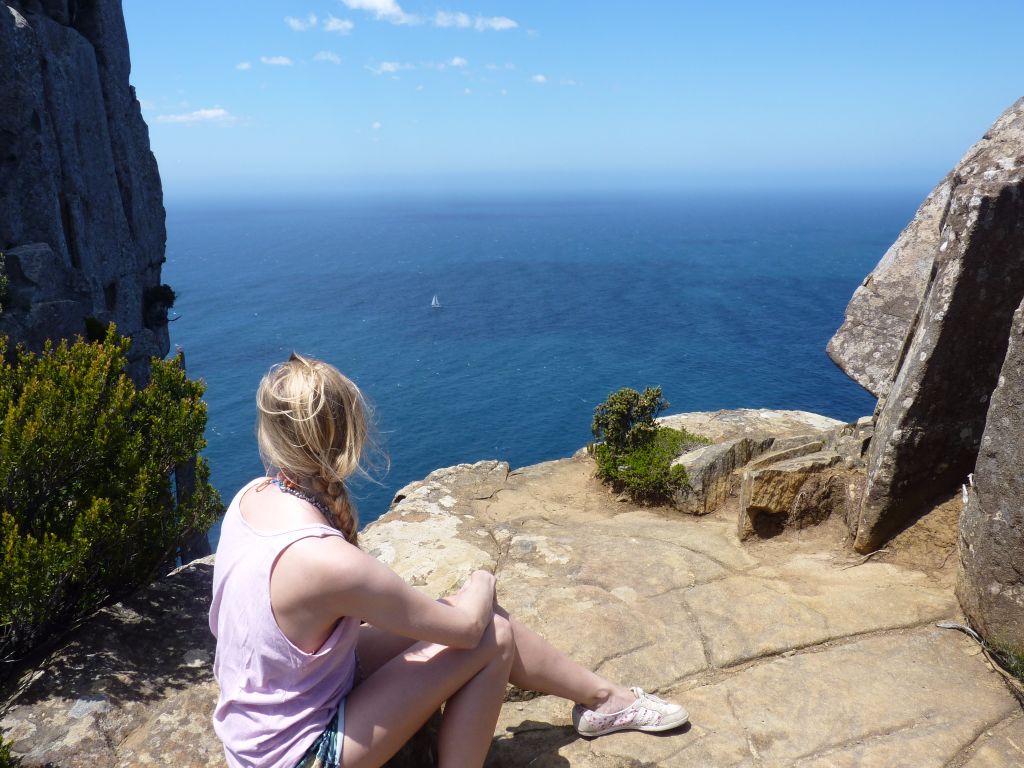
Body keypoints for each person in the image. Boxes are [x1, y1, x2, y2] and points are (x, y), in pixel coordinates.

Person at [209, 353, 689, 768]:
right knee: (488, 631)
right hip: (300, 755)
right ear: (349, 434)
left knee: (468, 616)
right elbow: (462, 631)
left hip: (267, 720)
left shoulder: (251, 498)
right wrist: (482, 577)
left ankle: (603, 699)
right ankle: (603, 702)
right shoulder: (324, 558)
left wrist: (465, 606)